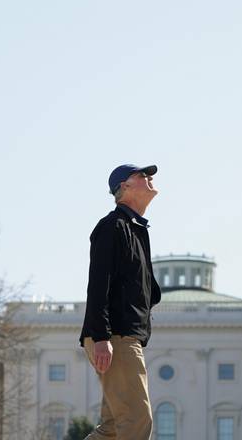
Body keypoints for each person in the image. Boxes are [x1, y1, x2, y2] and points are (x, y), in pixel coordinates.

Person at [79, 163, 163, 440]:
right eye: (142, 175)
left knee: (114, 428)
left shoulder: (136, 229)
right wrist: (101, 336)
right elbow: (98, 285)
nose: (149, 178)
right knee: (137, 420)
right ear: (124, 188)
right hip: (115, 337)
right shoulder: (112, 227)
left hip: (124, 337)